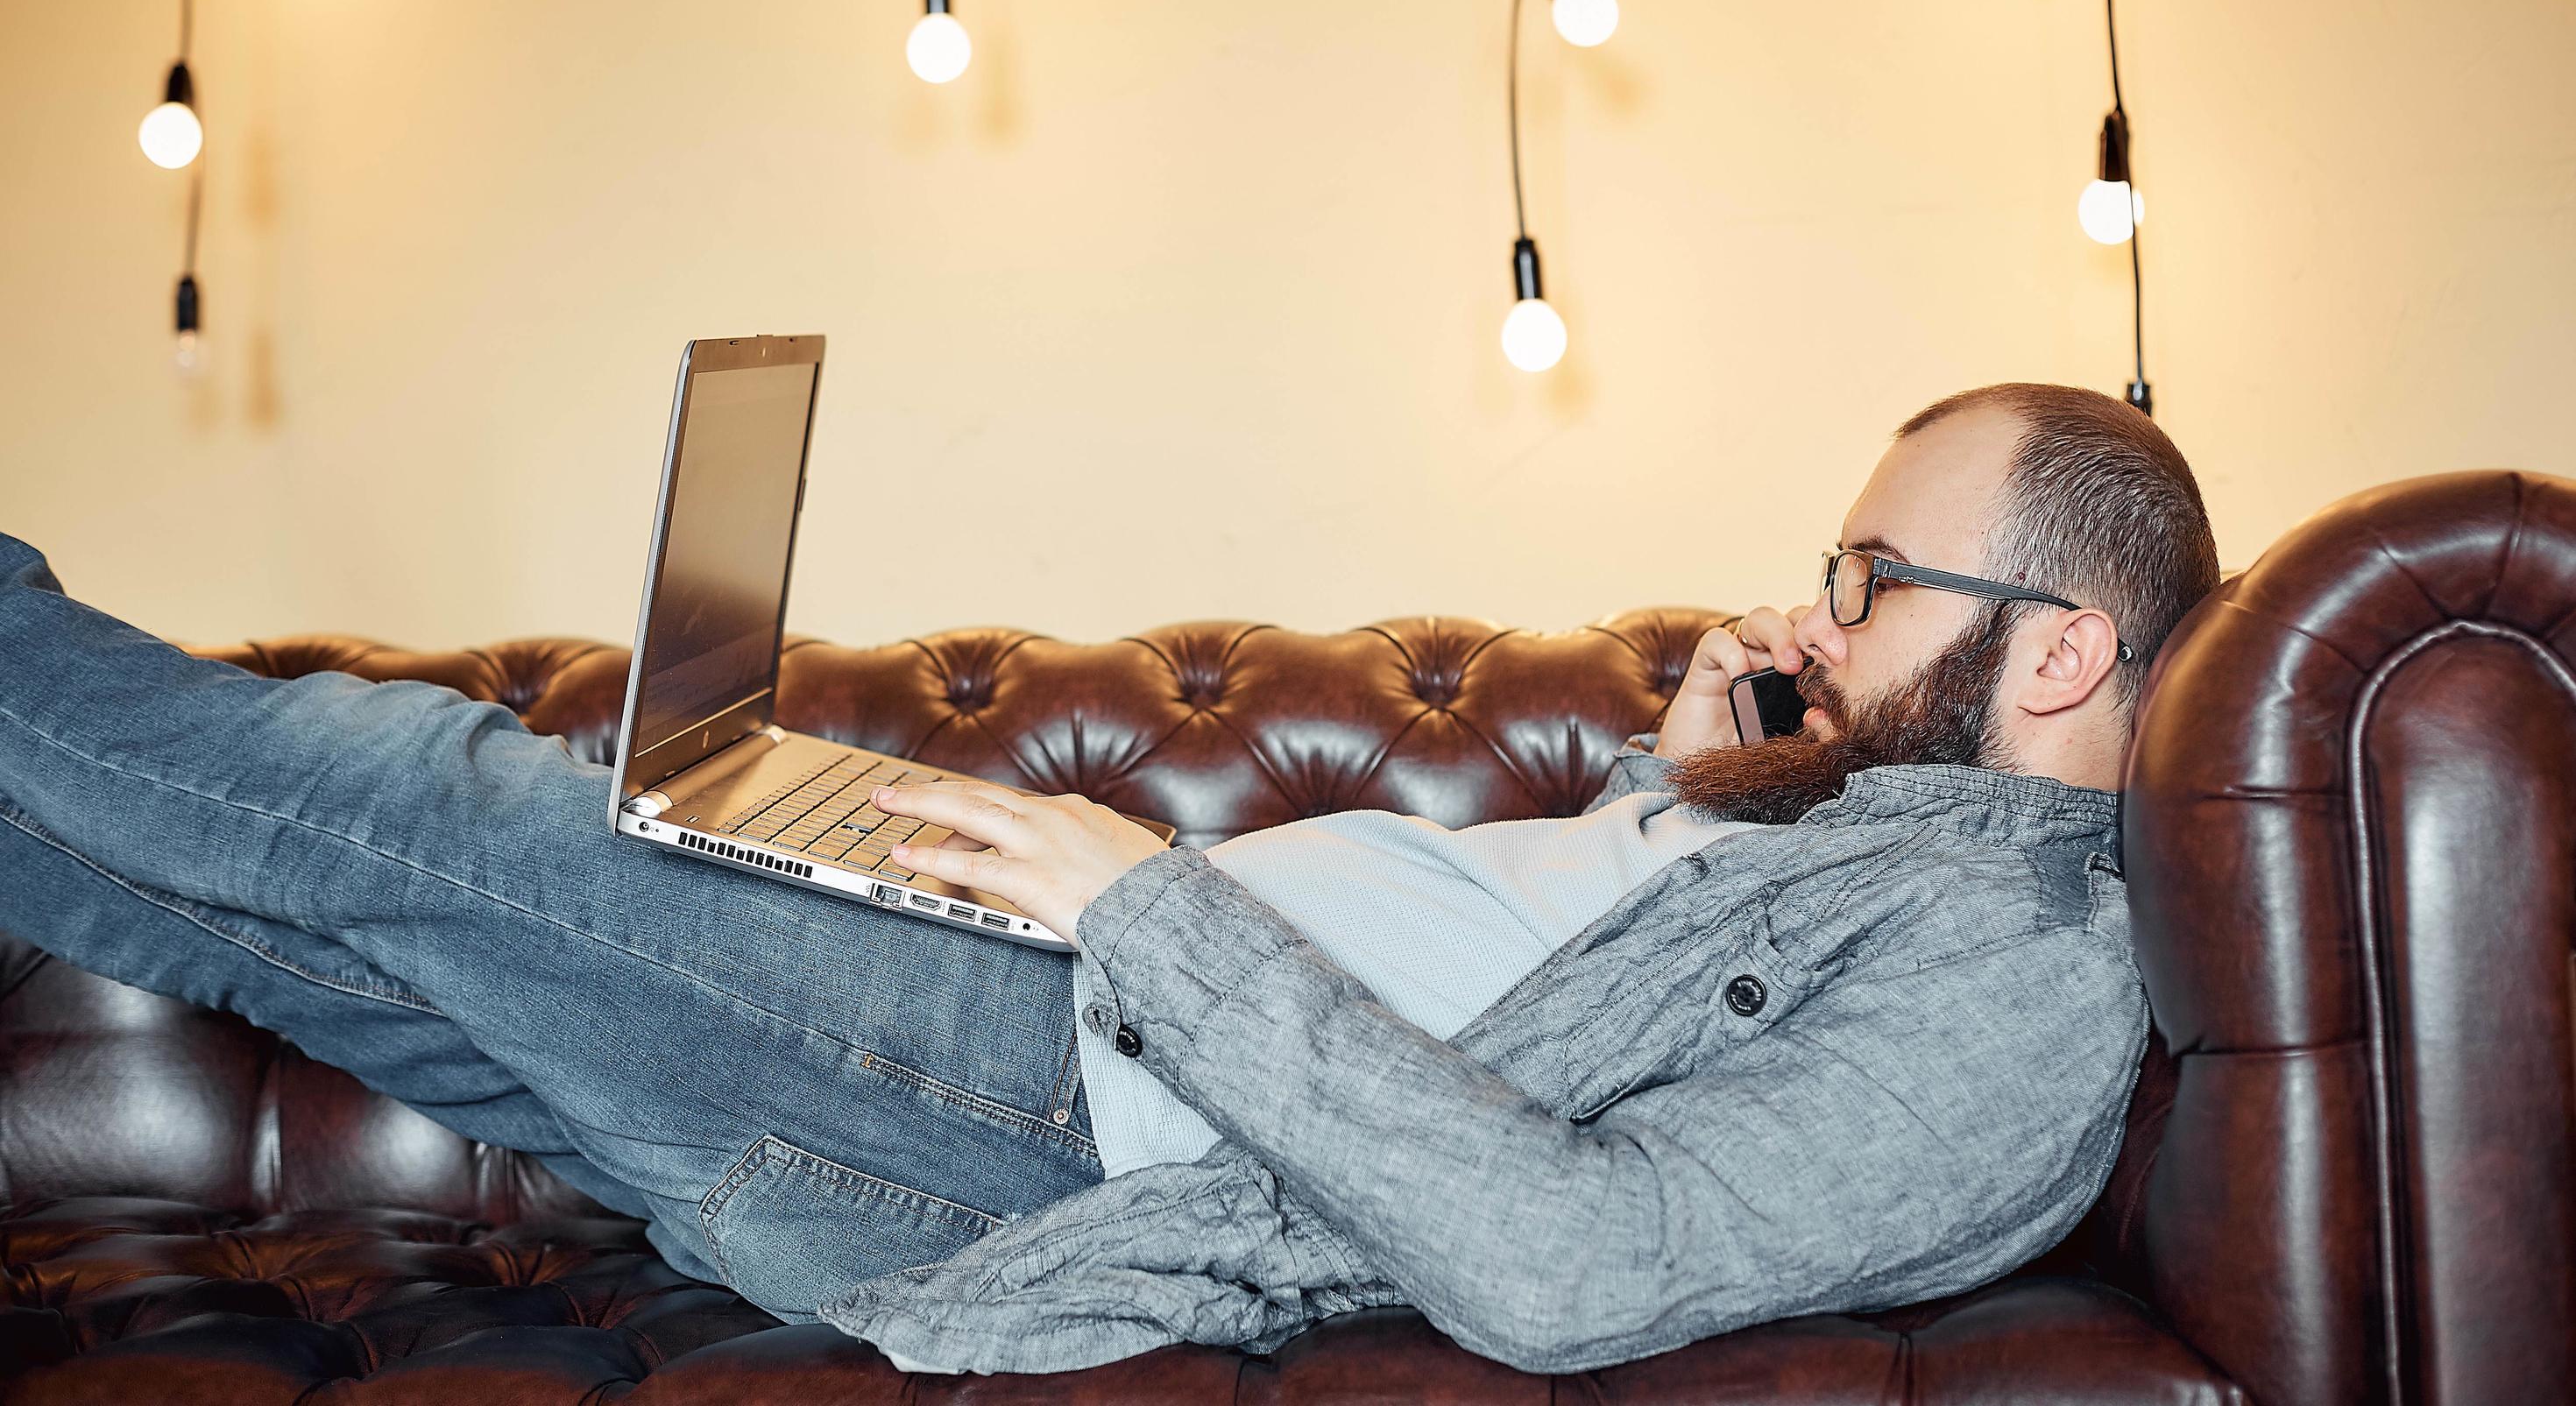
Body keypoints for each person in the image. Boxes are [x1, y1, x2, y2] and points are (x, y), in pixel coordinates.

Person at [0, 380, 2219, 1375]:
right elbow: (1609, 997)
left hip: (1070, 1083)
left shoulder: (2021, 972)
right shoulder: (1859, 823)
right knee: (302, 918)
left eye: (1872, 572)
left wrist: (1128, 903)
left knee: (432, 800)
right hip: (1078, 1008)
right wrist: (1692, 792)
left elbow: (1584, 1259)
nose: (1815, 611)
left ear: (2061, 642)